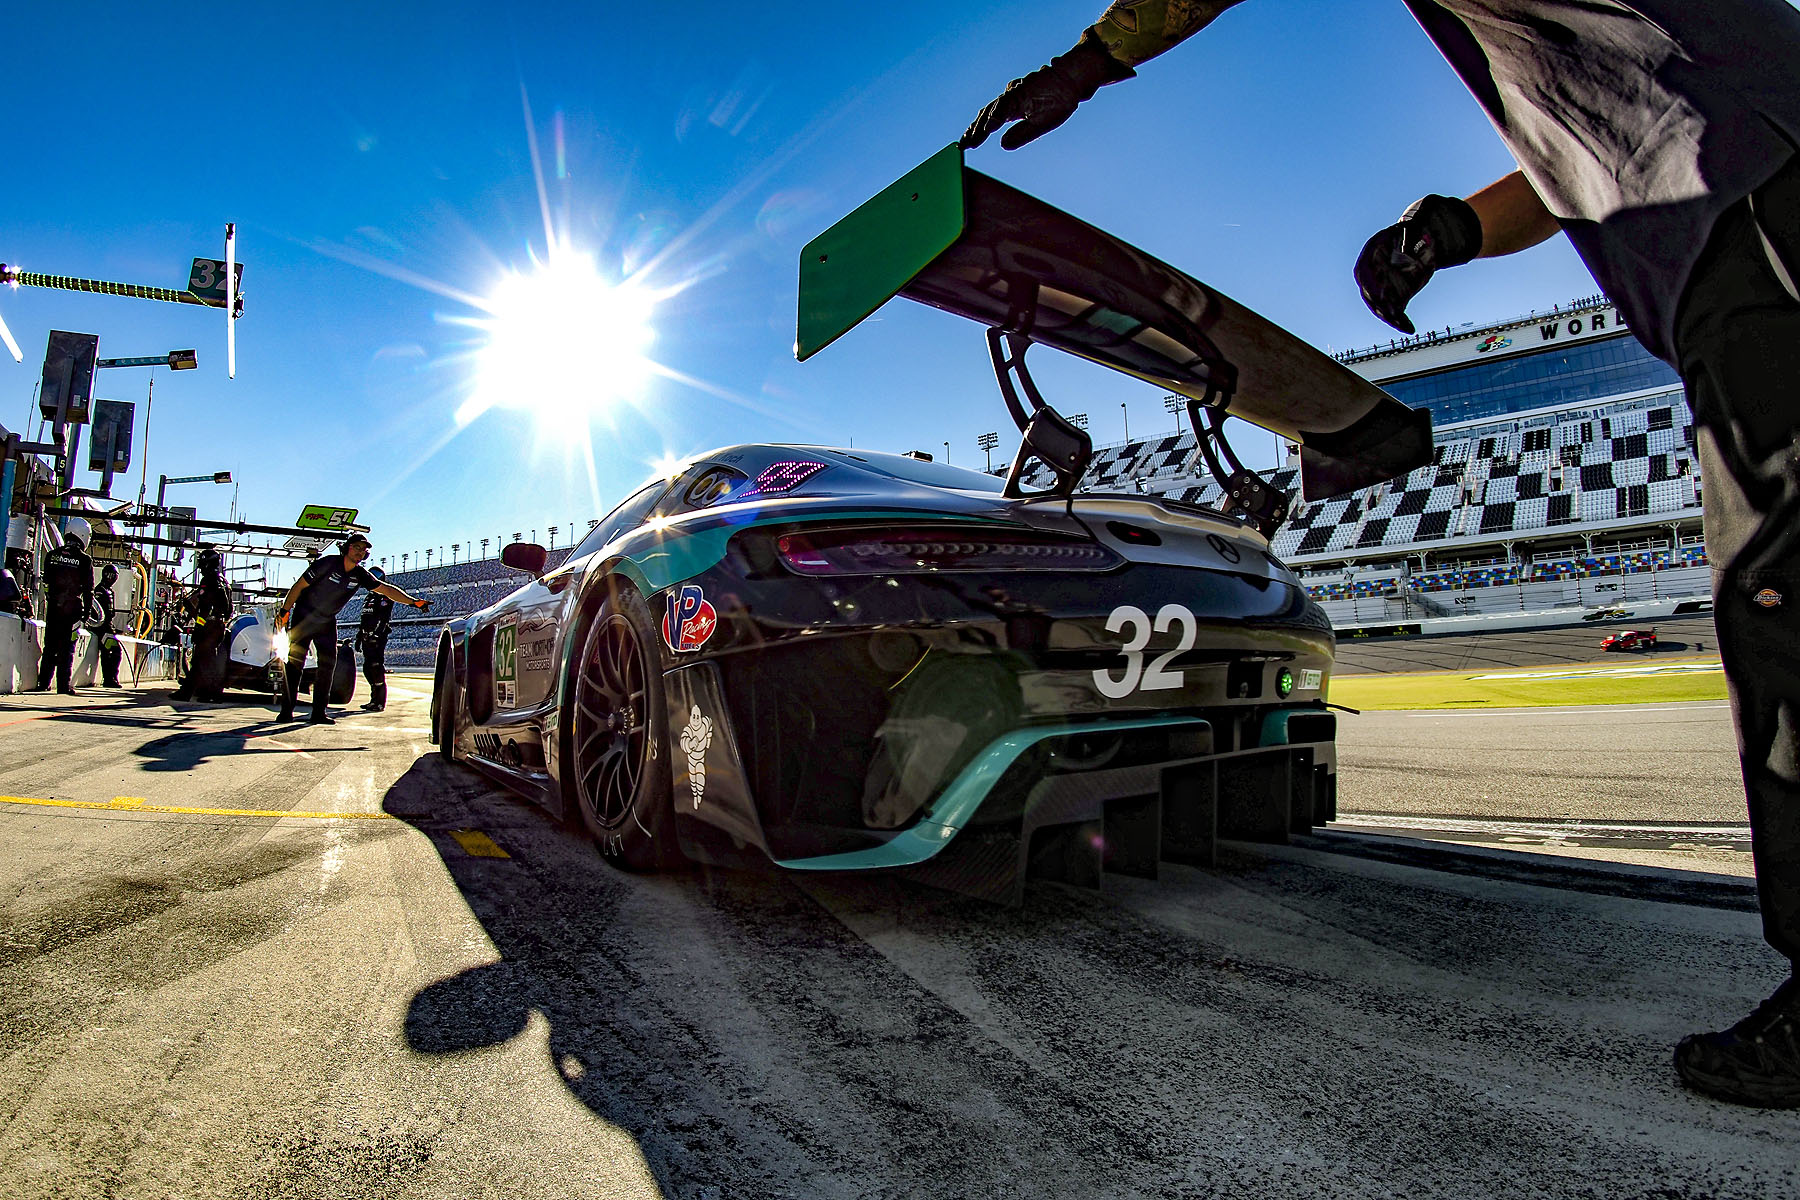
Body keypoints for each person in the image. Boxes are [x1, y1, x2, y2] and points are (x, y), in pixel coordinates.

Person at [963, 1, 1800, 1107]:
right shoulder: (1580, 76)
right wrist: (1449, 230)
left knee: (1780, 611)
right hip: (1731, 220)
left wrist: (1093, 59)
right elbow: (1568, 182)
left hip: (1755, 212)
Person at [275, 533, 429, 724]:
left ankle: (318, 713)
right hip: (304, 617)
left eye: (363, 550)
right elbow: (298, 586)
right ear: (346, 548)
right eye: (356, 547)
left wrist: (414, 602)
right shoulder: (327, 564)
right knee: (295, 663)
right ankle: (286, 712)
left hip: (326, 621)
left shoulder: (360, 574)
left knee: (328, 664)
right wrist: (284, 612)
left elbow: (386, 590)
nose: (360, 552)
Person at [27, 516, 94, 695]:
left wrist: (53, 597)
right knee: (67, 649)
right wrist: (86, 615)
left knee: (50, 646)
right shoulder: (85, 560)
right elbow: (89, 591)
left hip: (54, 607)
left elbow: (46, 582)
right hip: (72, 611)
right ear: (84, 536)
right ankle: (63, 686)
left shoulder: (52, 555)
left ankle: (43, 683)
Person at [171, 548, 231, 702]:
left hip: (209, 627)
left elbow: (204, 608)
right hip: (219, 627)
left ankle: (206, 694)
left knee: (202, 660)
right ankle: (196, 692)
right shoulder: (224, 581)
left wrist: (199, 627)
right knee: (204, 661)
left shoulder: (209, 580)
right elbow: (228, 609)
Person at [355, 565, 395, 712]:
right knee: (367, 668)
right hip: (366, 635)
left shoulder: (385, 596)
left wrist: (376, 635)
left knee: (376, 667)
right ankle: (373, 699)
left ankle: (379, 702)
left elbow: (384, 619)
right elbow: (364, 618)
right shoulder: (369, 597)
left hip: (377, 637)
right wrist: (360, 636)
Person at [91, 563, 123, 688]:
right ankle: (109, 679)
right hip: (102, 629)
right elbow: (96, 612)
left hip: (108, 627)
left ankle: (111, 678)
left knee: (110, 653)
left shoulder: (109, 591)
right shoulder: (100, 590)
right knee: (113, 652)